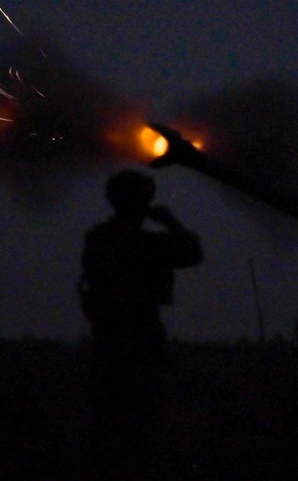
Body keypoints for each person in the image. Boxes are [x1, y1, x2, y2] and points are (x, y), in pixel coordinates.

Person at [79, 169, 202, 478]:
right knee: (142, 422)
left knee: (110, 422)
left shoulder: (98, 237)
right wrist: (170, 222)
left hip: (109, 339)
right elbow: (193, 253)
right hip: (139, 337)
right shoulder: (149, 244)